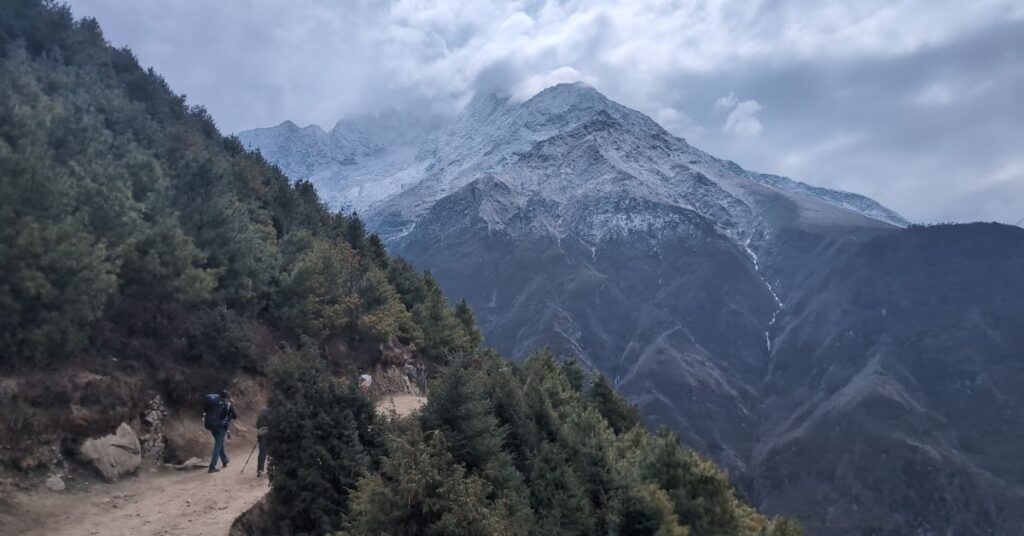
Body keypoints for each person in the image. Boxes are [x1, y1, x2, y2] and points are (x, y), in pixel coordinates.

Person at [204, 389, 237, 473]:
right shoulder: (228, 405)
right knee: (218, 445)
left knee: (220, 443)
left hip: (211, 426)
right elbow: (235, 416)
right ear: (226, 397)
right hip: (221, 427)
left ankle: (225, 460)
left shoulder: (215, 402)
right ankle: (212, 466)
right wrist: (231, 407)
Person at [255, 406, 271, 477]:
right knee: (272, 451)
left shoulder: (262, 411)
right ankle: (270, 469)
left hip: (261, 433)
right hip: (270, 432)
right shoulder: (274, 411)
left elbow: (257, 425)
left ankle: (260, 469)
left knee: (262, 452)